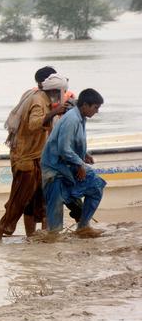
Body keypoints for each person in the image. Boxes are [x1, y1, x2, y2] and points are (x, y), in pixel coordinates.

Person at [0, 72, 71, 243]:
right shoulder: (39, 101)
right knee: (19, 199)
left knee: (39, 201)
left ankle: (36, 238)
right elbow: (34, 124)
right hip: (26, 158)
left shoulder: (39, 98)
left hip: (35, 157)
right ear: (56, 90)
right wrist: (54, 112)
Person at [40, 89, 107, 240]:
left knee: (97, 185)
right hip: (54, 168)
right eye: (95, 107)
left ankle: (83, 227)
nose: (97, 111)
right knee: (55, 210)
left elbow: (73, 144)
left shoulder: (81, 117)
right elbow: (64, 149)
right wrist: (80, 164)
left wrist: (84, 155)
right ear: (85, 105)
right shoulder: (72, 119)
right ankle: (53, 238)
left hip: (67, 166)